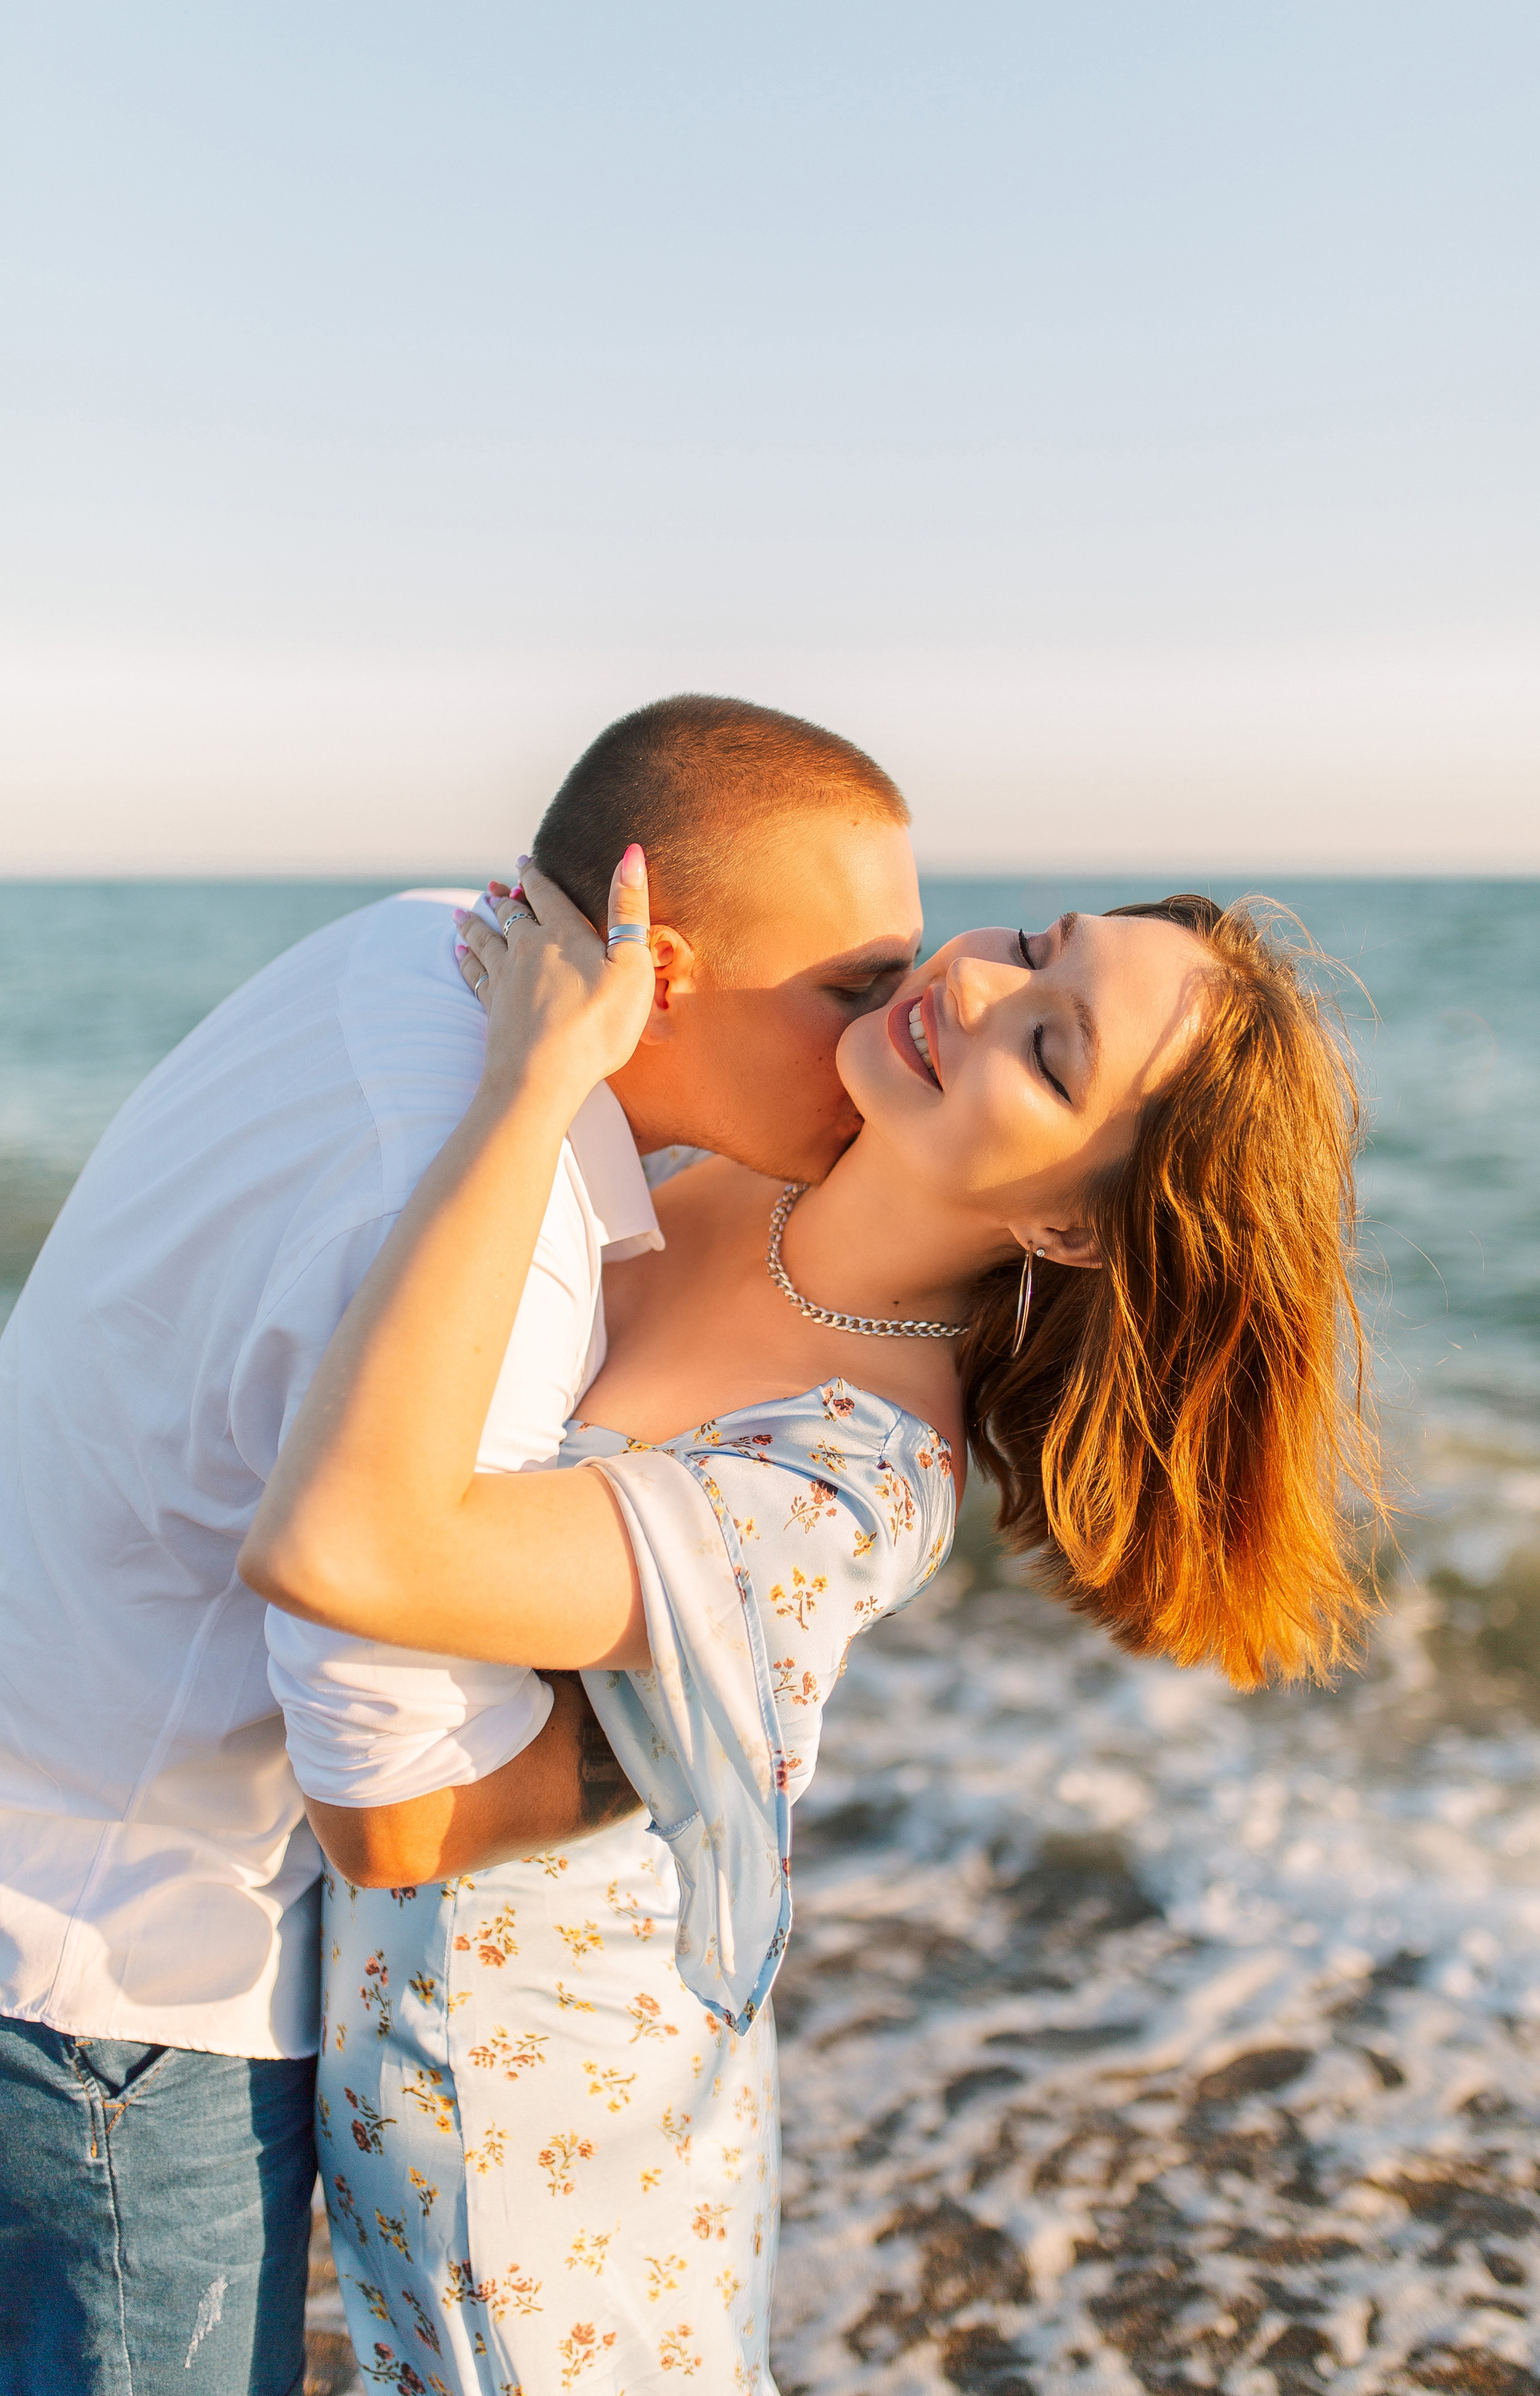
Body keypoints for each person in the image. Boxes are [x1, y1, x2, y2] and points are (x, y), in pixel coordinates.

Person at [245, 846, 1379, 2392]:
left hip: (544, 2159)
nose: (970, 984)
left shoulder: (843, 1478)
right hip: (362, 2030)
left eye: (1046, 1049)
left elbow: (354, 1546)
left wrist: (530, 1087)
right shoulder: (720, 1156)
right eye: (1036, 944)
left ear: (1068, 1228)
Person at [0, 695, 923, 2395]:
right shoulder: (481, 1241)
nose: (885, 1042)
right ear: (657, 961)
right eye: (853, 992)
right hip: (124, 1978)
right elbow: (394, 1816)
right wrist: (677, 1749)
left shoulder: (419, 944)